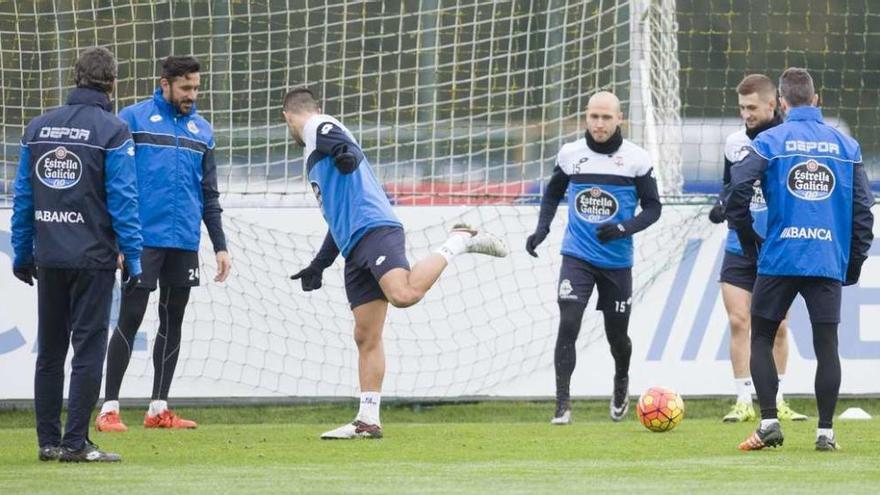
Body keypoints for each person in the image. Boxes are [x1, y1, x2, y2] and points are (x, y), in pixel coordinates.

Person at [282, 87, 508, 439]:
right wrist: (319, 264)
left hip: (376, 229)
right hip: (354, 244)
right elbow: (337, 217)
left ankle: (458, 240)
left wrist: (345, 153)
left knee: (403, 294)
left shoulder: (315, 124)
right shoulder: (313, 153)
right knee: (365, 335)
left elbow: (340, 142)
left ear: (288, 118)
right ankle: (368, 420)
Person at [727, 68, 873, 451]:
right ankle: (826, 433)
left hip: (778, 258)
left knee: (760, 336)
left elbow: (738, 191)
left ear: (784, 104)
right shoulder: (847, 146)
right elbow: (863, 211)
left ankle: (770, 422)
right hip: (825, 259)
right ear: (817, 99)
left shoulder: (770, 140)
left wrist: (748, 240)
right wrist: (853, 262)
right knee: (827, 345)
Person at [11, 47, 142, 462]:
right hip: (93, 258)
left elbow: (23, 197)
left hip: (49, 257)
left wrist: (20, 251)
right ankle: (76, 443)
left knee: (49, 351)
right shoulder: (113, 130)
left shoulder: (38, 127)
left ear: (75, 77)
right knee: (88, 350)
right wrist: (134, 259)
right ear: (112, 82)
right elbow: (123, 200)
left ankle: (47, 443)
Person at [95, 55, 231, 432]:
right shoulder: (132, 119)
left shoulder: (202, 130)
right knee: (130, 318)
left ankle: (158, 408)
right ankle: (109, 408)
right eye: (186, 88)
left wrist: (219, 245)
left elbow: (209, 194)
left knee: (173, 321)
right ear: (165, 83)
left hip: (184, 240)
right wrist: (117, 239)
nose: (192, 95)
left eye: (196, 88)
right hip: (141, 240)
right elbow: (112, 182)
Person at [525, 91, 661, 425]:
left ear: (620, 119)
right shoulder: (571, 154)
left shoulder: (636, 159)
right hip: (577, 256)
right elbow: (553, 191)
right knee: (568, 322)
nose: (599, 124)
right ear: (586, 117)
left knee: (617, 337)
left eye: (606, 118)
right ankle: (562, 404)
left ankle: (620, 381)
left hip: (616, 263)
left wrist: (624, 228)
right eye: (593, 117)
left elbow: (654, 207)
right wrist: (542, 228)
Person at [708, 74, 807, 423]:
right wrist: (722, 204)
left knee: (778, 325)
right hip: (739, 245)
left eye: (752, 107)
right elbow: (728, 184)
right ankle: (742, 400)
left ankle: (778, 398)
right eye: (741, 108)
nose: (746, 114)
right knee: (739, 321)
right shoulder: (734, 143)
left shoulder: (787, 141)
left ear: (773, 104)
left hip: (775, 248)